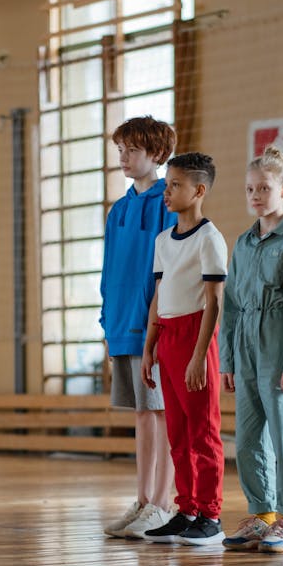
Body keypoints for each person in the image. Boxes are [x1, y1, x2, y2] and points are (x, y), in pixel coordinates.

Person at [220, 146, 283, 554]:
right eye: (250, 189)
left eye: (265, 188)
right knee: (249, 435)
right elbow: (232, 304)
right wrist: (228, 360)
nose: (255, 195)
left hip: (277, 342)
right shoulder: (242, 243)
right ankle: (263, 513)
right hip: (246, 345)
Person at [139, 152, 228, 546]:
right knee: (177, 431)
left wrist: (198, 355)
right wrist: (149, 345)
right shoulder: (163, 241)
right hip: (168, 337)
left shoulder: (210, 239)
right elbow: (159, 295)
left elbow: (215, 302)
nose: (166, 191)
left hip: (196, 337)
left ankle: (210, 514)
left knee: (202, 432)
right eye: (166, 184)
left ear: (199, 190)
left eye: (175, 185)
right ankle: (186, 507)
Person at [101, 116, 178, 539]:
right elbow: (110, 268)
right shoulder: (120, 208)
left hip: (155, 327)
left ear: (156, 154)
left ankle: (163, 504)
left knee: (161, 413)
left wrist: (158, 319)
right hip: (122, 326)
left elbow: (171, 268)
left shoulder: (168, 200)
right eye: (121, 151)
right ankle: (143, 498)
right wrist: (107, 316)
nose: (124, 158)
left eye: (132, 150)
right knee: (142, 415)